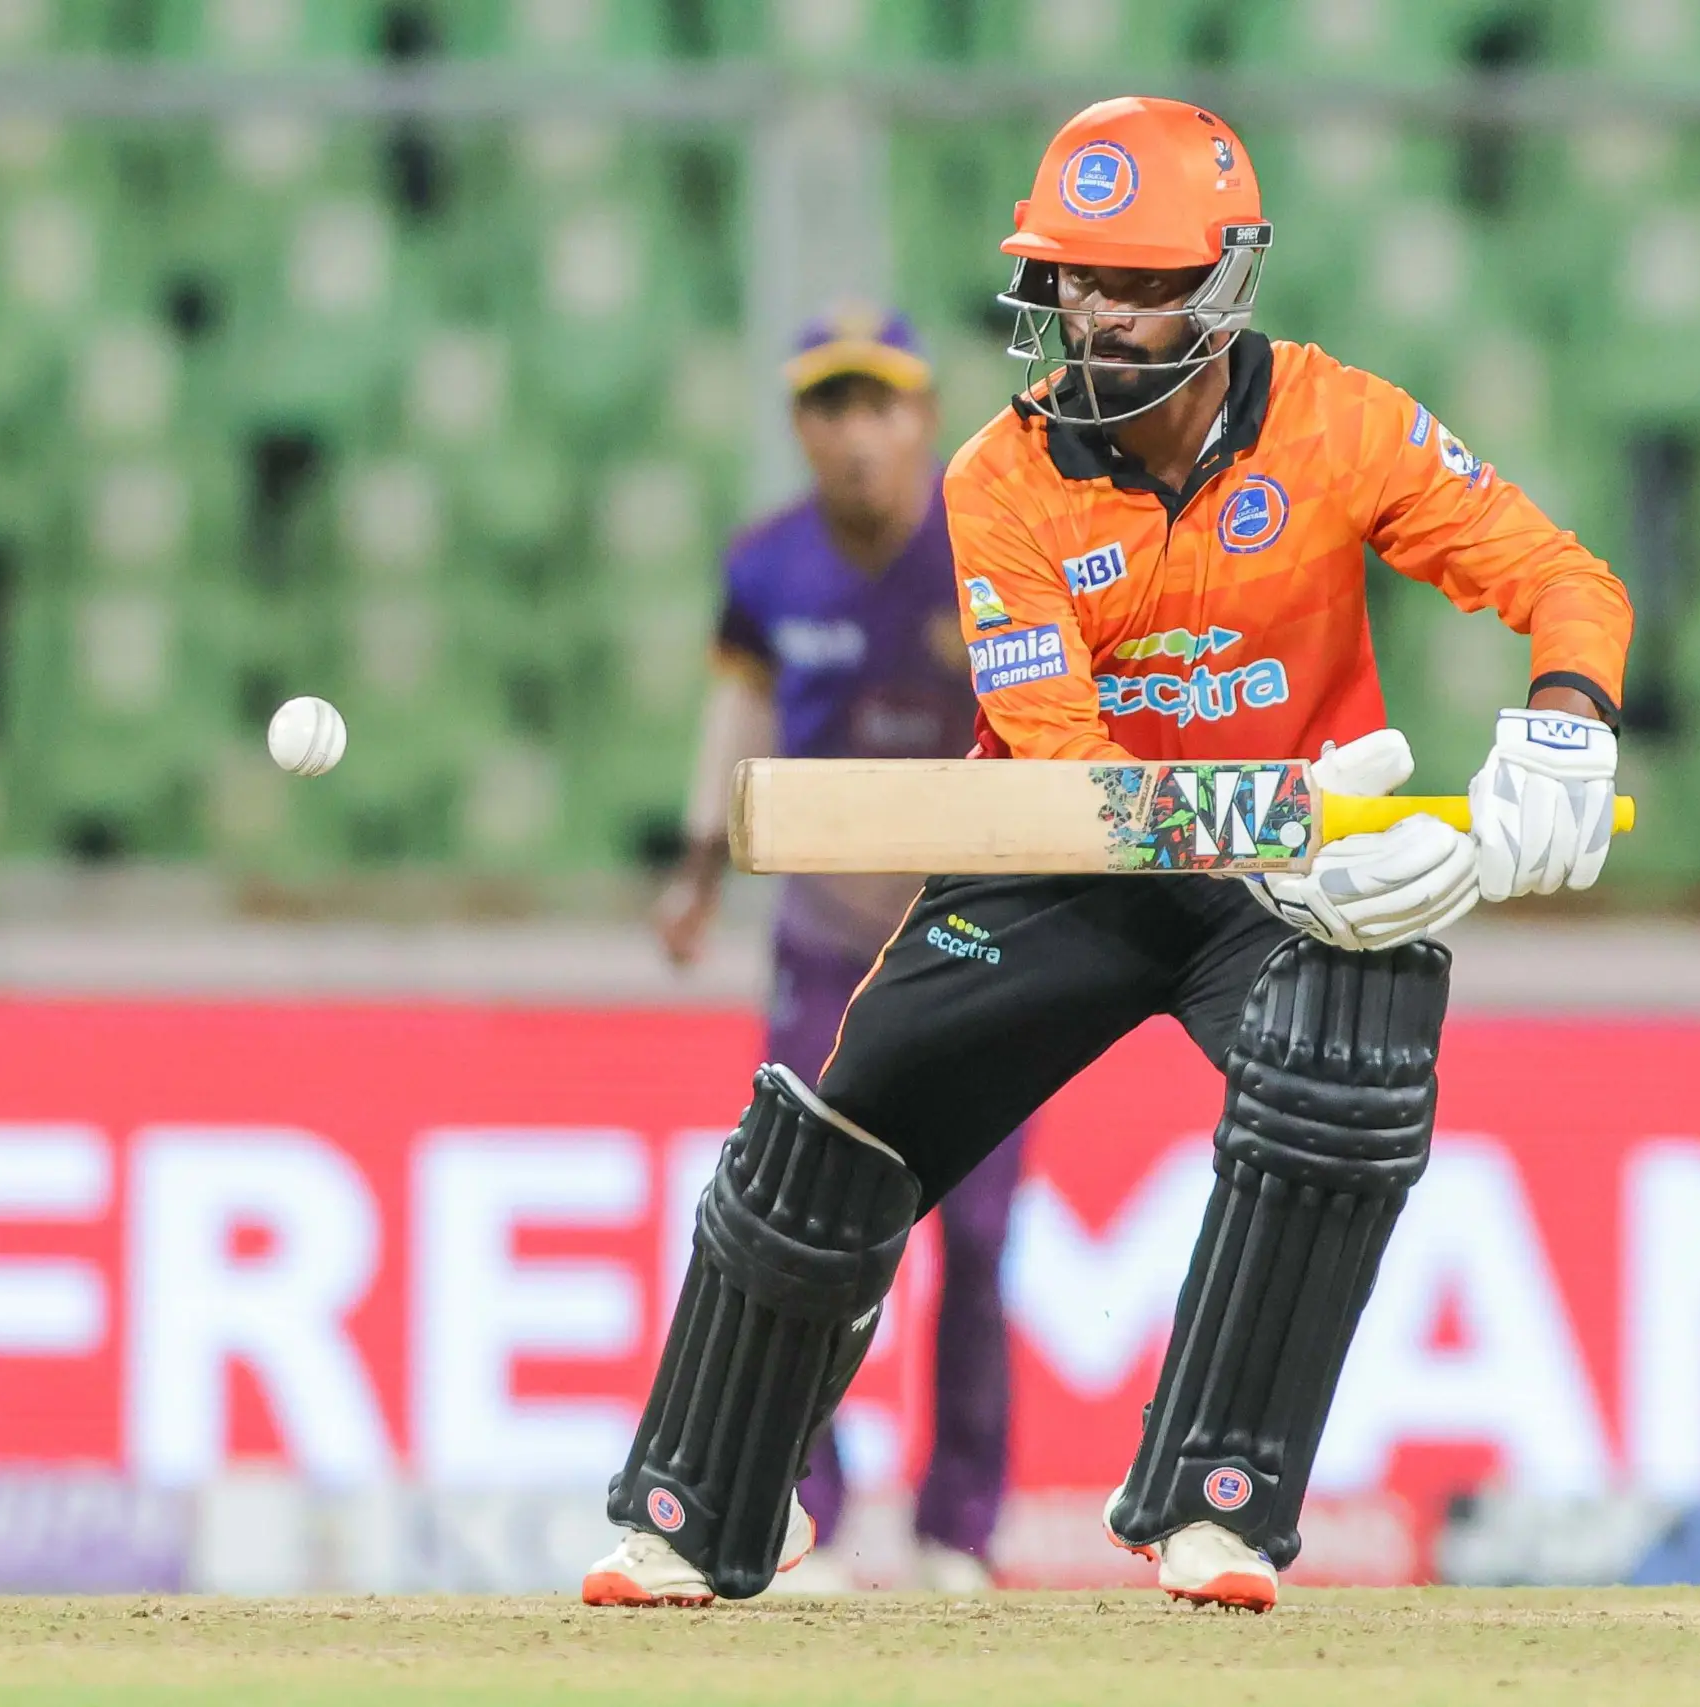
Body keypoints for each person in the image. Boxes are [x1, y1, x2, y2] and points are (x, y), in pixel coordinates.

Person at [585, 96, 1630, 1612]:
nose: (1103, 317)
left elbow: (1561, 576)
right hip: (1059, 864)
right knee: (841, 1138)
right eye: (1082, 280)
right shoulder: (998, 481)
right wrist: (1275, 823)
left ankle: (1218, 1506)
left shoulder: (1338, 421)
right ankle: (700, 1507)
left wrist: (1568, 724)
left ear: (1226, 282)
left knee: (1349, 1064)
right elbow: (1065, 752)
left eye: (1144, 284)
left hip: (1273, 887)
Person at [651, 304, 1022, 1593]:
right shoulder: (766, 567)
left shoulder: (991, 552)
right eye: (830, 406)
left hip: (976, 943)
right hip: (824, 949)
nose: (857, 434)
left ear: (923, 418)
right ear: (800, 427)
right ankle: (800, 1509)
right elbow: (739, 712)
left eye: (879, 405)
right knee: (803, 1238)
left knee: (979, 1241)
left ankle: (958, 1529)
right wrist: (698, 866)